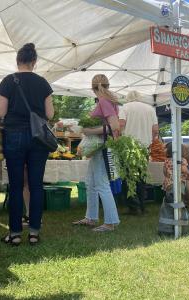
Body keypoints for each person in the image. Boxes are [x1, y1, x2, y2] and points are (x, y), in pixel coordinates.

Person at [0, 43, 54, 246]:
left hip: (14, 135)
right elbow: (49, 114)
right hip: (38, 138)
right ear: (34, 62)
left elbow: (1, 112)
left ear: (18, 60)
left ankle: (14, 233)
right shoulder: (43, 83)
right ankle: (34, 232)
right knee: (36, 185)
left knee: (16, 184)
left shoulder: (7, 81)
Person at [72, 74, 120, 232]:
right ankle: (91, 218)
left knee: (101, 184)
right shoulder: (110, 101)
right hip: (99, 147)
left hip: (101, 148)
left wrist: (88, 130)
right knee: (91, 183)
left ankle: (111, 222)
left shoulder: (105, 101)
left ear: (93, 88)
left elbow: (114, 126)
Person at [119, 90, 159, 215]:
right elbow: (155, 129)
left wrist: (118, 137)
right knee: (141, 177)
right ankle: (142, 205)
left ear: (128, 98)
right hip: (144, 147)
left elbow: (121, 125)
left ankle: (133, 207)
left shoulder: (124, 107)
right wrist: (150, 141)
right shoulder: (150, 109)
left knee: (128, 177)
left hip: (128, 146)